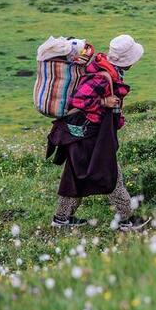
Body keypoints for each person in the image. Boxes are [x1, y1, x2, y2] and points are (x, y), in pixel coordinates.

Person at [47, 34, 150, 230]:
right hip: (90, 137)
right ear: (128, 61)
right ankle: (126, 220)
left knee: (75, 176)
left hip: (84, 136)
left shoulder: (110, 72)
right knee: (111, 176)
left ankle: (61, 219)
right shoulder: (102, 77)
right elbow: (77, 102)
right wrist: (104, 102)